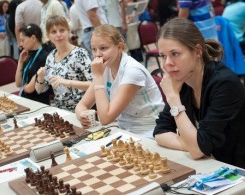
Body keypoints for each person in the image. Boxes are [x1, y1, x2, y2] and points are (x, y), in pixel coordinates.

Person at [153, 18, 245, 169]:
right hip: (213, 165)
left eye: (175, 54)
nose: (167, 63)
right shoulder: (182, 80)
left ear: (197, 51)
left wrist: (173, 98)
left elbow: (197, 151)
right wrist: (192, 144)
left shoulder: (224, 83)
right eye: (163, 56)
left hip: (237, 171)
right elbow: (160, 132)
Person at [75, 24, 164, 137]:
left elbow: (105, 118)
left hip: (150, 130)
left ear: (120, 47)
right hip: (124, 128)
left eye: (103, 48)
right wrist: (82, 116)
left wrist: (98, 77)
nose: (97, 54)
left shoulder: (132, 71)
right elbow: (81, 105)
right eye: (94, 49)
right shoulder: (106, 67)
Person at [35, 15, 92, 112]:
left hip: (81, 109)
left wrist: (67, 82)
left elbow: (94, 84)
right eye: (53, 32)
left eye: (62, 30)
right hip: (60, 110)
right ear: (48, 36)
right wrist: (40, 77)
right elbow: (40, 89)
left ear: (69, 32)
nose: (58, 34)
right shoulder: (50, 57)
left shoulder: (79, 54)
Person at [15, 24, 52, 104]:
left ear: (33, 38)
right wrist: (20, 62)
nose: (20, 44)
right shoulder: (27, 54)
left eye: (23, 40)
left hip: (37, 102)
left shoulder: (45, 57)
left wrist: (23, 87)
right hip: (27, 98)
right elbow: (18, 83)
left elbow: (29, 89)